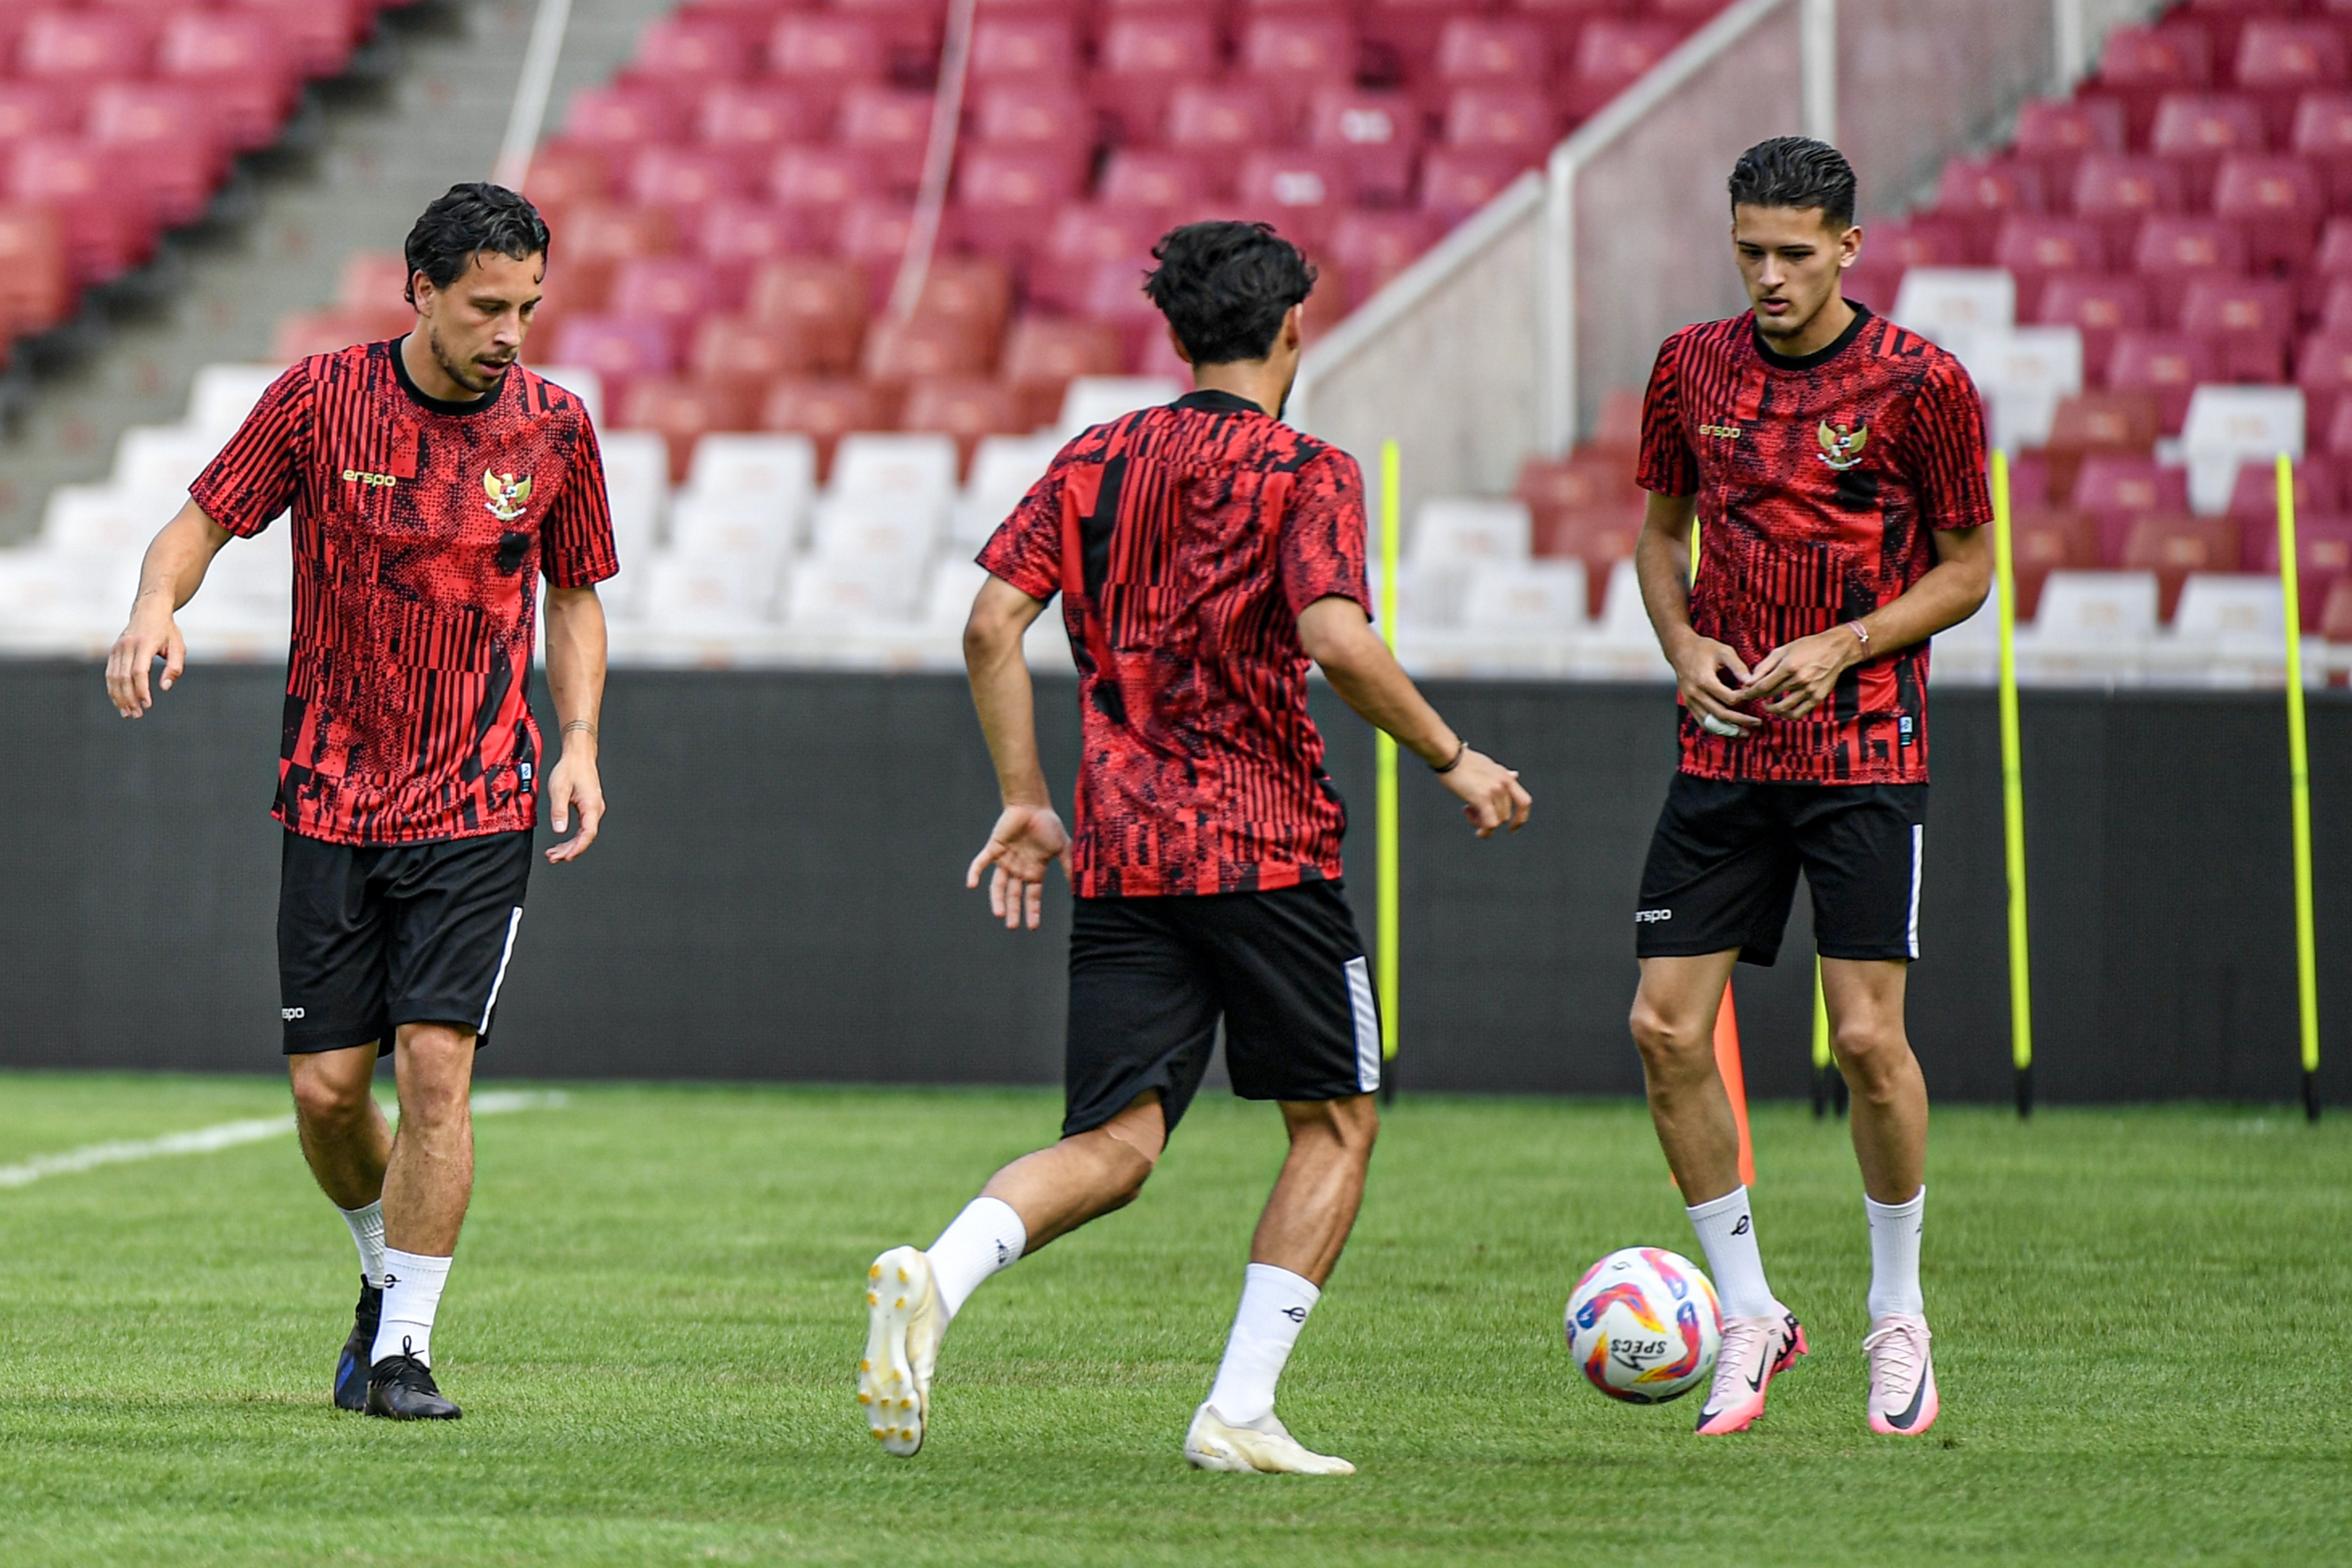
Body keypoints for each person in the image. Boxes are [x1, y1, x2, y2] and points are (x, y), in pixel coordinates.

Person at [858, 221, 1532, 1473]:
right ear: (1292, 330)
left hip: (1124, 855)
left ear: (1175, 334)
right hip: (1267, 853)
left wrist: (1025, 797)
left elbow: (989, 626)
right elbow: (1333, 637)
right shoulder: (1308, 469)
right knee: (1335, 1124)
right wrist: (1454, 756)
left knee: (1118, 1145)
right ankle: (1238, 1410)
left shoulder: (1095, 458)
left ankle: (938, 1280)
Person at [103, 183, 616, 1421]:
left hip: (478, 798)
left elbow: (580, 592)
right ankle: (381, 1280)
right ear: (422, 289)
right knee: (329, 1096)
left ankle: (406, 1352)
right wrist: (152, 607)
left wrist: (582, 740)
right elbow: (198, 524)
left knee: (437, 1070)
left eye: (528, 308)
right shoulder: (320, 399)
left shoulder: (556, 427)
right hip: (332, 795)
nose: (510, 330)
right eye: (487, 305)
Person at [1627, 137, 1991, 1438]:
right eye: (1751, 252)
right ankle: (1748, 1315)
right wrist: (1682, 647)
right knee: (1665, 1032)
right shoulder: (1691, 366)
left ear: (1850, 245)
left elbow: (1970, 571)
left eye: (1795, 252)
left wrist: (1846, 643)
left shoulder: (1920, 383)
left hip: (1863, 754)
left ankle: (1897, 1315)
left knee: (1866, 1043)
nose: (1770, 276)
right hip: (1725, 751)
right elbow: (1660, 538)